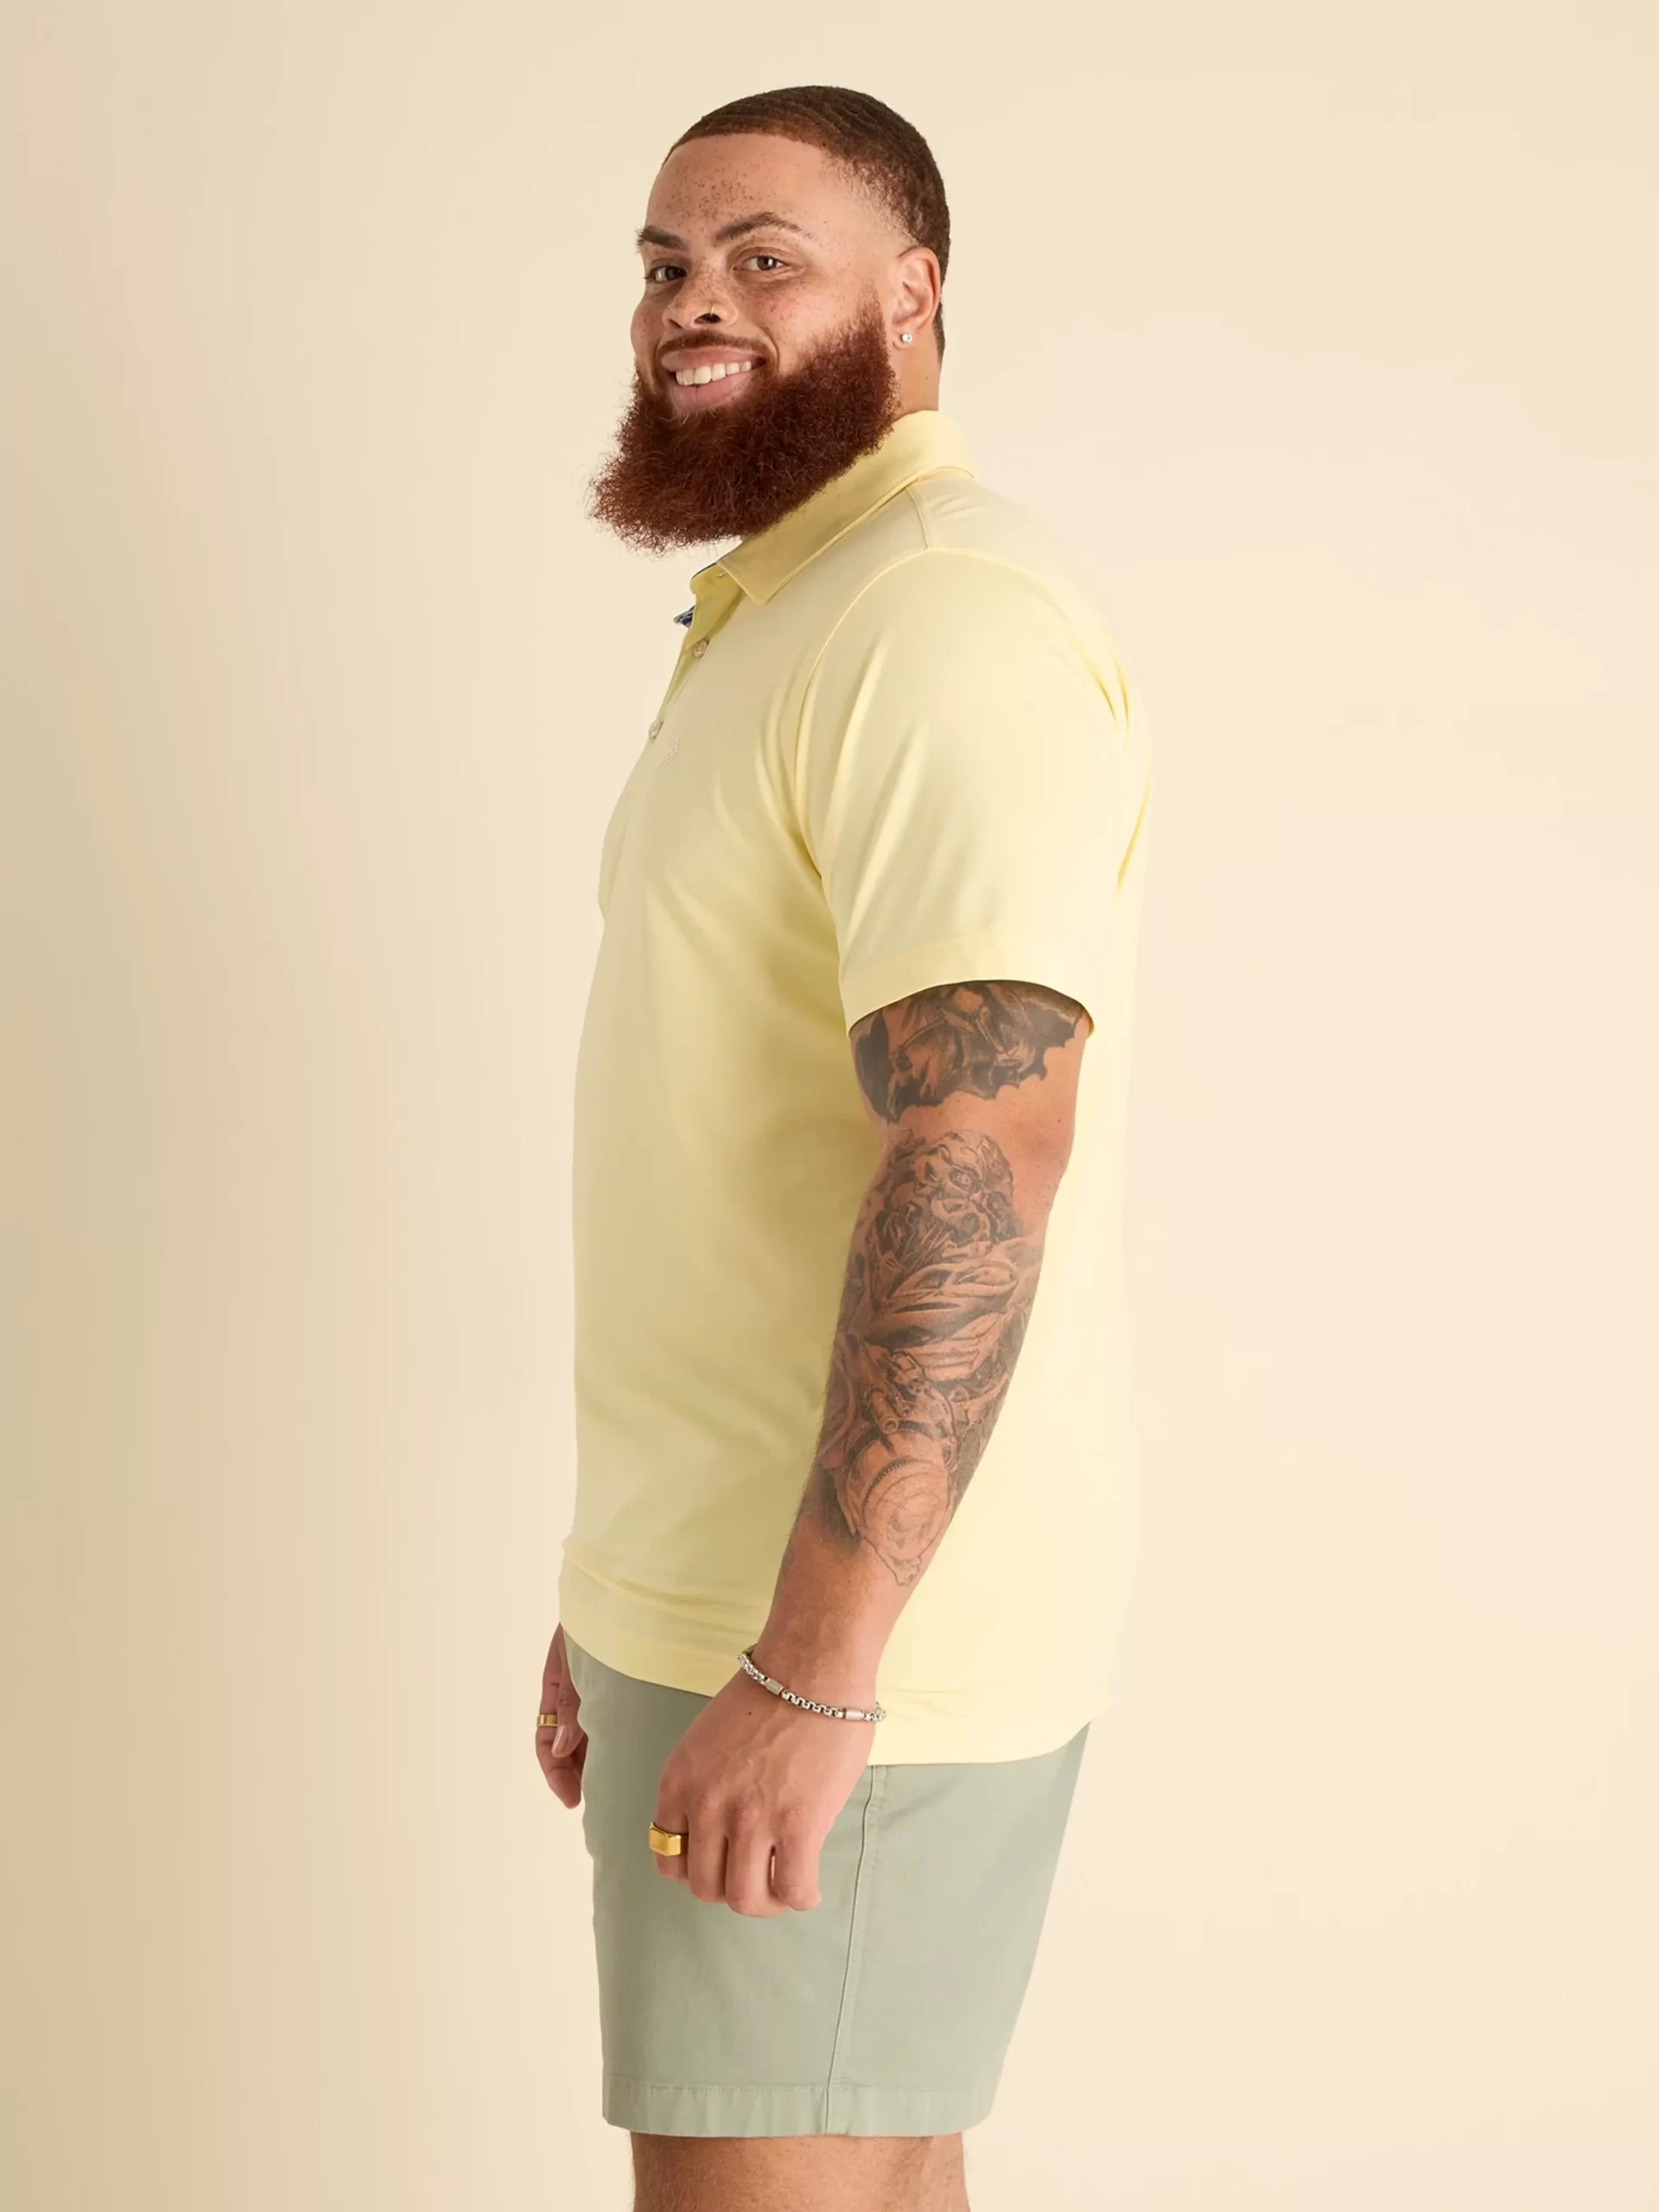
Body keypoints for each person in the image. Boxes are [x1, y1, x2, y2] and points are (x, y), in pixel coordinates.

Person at [537, 83, 1154, 2212]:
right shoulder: (793, 607)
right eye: (665, 263)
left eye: (763, 258)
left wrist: (812, 1655)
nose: (692, 303)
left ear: (916, 294)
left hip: (845, 1638)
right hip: (740, 1587)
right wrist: (623, 1580)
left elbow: (983, 1140)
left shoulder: (935, 615)